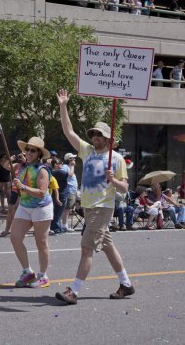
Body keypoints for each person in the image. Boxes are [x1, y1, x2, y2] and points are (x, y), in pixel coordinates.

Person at [55, 89, 135, 304]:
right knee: (108, 245)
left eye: (100, 135)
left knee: (86, 247)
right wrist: (63, 105)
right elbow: (69, 132)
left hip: (103, 208)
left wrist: (113, 179)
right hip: (89, 206)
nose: (96, 137)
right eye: (94, 134)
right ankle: (126, 284)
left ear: (108, 138)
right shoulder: (87, 151)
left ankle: (75, 290)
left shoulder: (116, 159)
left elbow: (124, 188)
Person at [10, 137, 53, 288]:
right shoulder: (23, 167)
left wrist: (22, 187)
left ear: (39, 153)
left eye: (33, 150)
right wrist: (16, 186)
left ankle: (43, 276)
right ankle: (27, 272)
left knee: (41, 242)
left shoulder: (42, 170)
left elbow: (42, 192)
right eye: (27, 149)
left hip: (41, 208)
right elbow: (6, 167)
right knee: (15, 237)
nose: (28, 152)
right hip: (24, 206)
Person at [0, 152, 26, 238]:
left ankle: (22, 231)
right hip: (14, 191)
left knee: (20, 211)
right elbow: (6, 166)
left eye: (24, 155)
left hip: (23, 191)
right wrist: (10, 159)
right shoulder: (16, 165)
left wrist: (24, 158)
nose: (21, 157)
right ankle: (7, 230)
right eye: (21, 155)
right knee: (10, 211)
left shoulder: (28, 166)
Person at [50, 157, 69, 234]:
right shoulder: (60, 172)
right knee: (58, 212)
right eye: (60, 163)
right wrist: (72, 166)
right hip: (61, 194)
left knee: (56, 212)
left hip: (55, 193)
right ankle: (56, 228)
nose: (62, 164)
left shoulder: (50, 172)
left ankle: (55, 227)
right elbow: (70, 174)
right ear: (55, 164)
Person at [60, 152, 78, 233]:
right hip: (68, 190)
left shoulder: (70, 167)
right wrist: (72, 166)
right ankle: (64, 225)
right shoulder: (65, 167)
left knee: (68, 209)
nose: (74, 159)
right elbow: (69, 175)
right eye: (72, 158)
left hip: (72, 191)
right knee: (66, 209)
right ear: (69, 159)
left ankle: (63, 224)